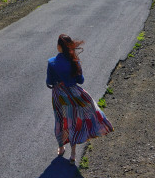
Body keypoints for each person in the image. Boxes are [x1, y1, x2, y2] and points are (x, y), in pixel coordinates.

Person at [46, 34, 113, 164]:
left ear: (59, 47)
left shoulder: (51, 62)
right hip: (74, 95)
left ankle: (61, 147)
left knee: (61, 120)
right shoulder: (74, 61)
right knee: (74, 121)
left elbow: (49, 81)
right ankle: (73, 155)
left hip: (59, 96)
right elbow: (80, 81)